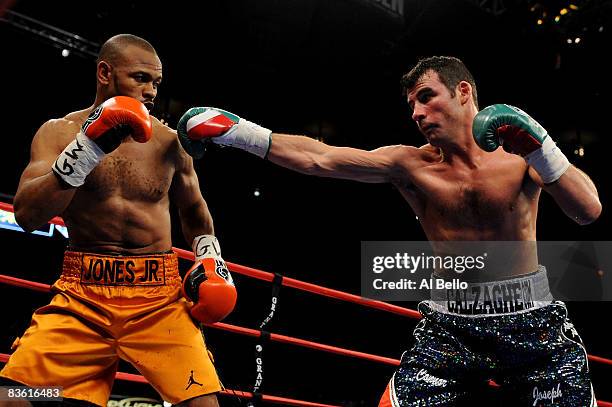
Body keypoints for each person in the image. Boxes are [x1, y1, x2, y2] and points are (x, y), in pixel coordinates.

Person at [176, 56, 602, 406]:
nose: (416, 113)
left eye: (426, 98)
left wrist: (540, 146)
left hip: (531, 322)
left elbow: (588, 210)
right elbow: (320, 158)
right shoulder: (410, 165)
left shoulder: (520, 157)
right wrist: (241, 133)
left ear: (464, 92)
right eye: (412, 105)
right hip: (451, 326)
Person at [0, 34, 236, 407]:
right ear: (105, 73)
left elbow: (194, 213)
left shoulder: (170, 142)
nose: (151, 91)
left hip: (158, 297)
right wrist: (86, 148)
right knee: (13, 397)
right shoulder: (58, 133)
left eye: (156, 82)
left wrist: (211, 260)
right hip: (83, 295)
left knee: (202, 405)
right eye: (140, 78)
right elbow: (28, 216)